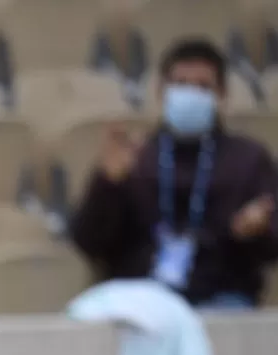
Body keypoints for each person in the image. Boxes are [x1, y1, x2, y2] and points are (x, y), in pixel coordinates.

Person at [70, 38, 278, 310]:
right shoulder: (135, 157)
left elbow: (272, 248)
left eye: (203, 87)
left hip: (221, 298)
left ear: (222, 95)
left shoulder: (248, 159)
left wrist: (254, 232)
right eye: (180, 85)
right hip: (140, 298)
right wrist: (108, 185)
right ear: (161, 91)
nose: (190, 94)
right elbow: (88, 242)